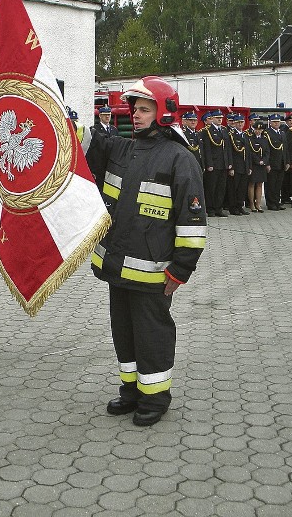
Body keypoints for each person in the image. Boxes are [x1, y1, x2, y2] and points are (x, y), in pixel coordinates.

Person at [82, 76, 206, 427]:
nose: (135, 115)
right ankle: (131, 391)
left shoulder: (180, 160)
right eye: (134, 109)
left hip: (154, 273)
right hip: (117, 268)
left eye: (144, 109)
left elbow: (193, 225)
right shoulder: (122, 149)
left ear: (164, 112)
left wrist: (180, 271)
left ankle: (156, 397)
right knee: (124, 333)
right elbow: (85, 141)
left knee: (152, 335)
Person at [200, 109, 231, 217]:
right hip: (213, 164)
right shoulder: (207, 131)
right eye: (217, 118)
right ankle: (210, 208)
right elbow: (206, 149)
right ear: (211, 119)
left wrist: (229, 163)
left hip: (223, 164)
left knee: (221, 188)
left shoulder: (224, 130)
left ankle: (219, 208)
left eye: (221, 118)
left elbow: (227, 149)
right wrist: (209, 164)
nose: (219, 120)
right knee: (211, 188)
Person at [226, 114, 251, 215]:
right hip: (236, 166)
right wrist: (231, 166)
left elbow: (248, 152)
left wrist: (249, 166)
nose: (240, 124)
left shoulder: (245, 135)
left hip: (244, 166)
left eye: (242, 122)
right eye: (238, 122)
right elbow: (229, 152)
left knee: (242, 188)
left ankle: (240, 206)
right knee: (233, 188)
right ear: (234, 123)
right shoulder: (231, 135)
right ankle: (233, 207)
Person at [265, 114, 288, 211]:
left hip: (281, 162)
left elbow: (286, 149)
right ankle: (270, 203)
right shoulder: (267, 133)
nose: (276, 123)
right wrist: (267, 163)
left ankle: (276, 202)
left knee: (278, 184)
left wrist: (287, 162)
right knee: (271, 184)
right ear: (270, 122)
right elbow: (266, 150)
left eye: (278, 121)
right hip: (272, 162)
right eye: (274, 121)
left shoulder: (282, 133)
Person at [247, 121, 269, 212]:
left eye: (260, 130)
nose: (258, 131)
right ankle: (251, 204)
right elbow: (250, 152)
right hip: (254, 165)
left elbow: (267, 152)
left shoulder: (264, 139)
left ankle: (258, 204)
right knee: (252, 184)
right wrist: (257, 161)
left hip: (262, 165)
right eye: (256, 129)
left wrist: (264, 161)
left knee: (260, 184)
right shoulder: (250, 139)